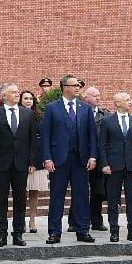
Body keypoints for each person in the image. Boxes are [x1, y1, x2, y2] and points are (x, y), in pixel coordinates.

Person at [39, 75, 95, 244]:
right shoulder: (52, 108)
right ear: (65, 87)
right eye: (74, 85)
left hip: (80, 159)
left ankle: (83, 230)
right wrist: (47, 158)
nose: (78, 88)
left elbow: (92, 134)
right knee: (57, 195)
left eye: (78, 85)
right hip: (59, 159)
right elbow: (45, 135)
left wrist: (93, 156)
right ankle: (54, 231)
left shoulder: (85, 108)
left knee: (82, 195)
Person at [0, 84, 38, 247]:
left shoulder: (27, 114)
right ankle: (2, 234)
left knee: (20, 199)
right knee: (1, 200)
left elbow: (32, 140)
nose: (17, 94)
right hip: (1, 164)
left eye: (17, 92)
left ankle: (18, 233)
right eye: (13, 92)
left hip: (21, 163)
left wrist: (32, 162)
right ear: (4, 96)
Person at [95, 91, 132, 243]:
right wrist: (104, 164)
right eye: (127, 99)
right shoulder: (107, 121)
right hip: (113, 166)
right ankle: (114, 231)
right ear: (117, 103)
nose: (130, 102)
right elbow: (102, 145)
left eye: (130, 99)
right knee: (113, 199)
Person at [83, 85, 108, 231]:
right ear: (86, 98)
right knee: (80, 190)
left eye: (99, 95)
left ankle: (97, 221)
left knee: (97, 191)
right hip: (81, 156)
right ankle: (75, 221)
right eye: (94, 95)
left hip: (98, 158)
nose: (98, 98)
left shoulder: (104, 114)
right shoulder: (79, 112)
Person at [23, 90, 45, 234]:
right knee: (20, 191)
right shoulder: (16, 114)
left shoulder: (39, 115)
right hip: (20, 156)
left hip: (36, 156)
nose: (28, 101)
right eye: (25, 98)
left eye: (30, 98)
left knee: (34, 190)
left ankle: (32, 220)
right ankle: (20, 219)